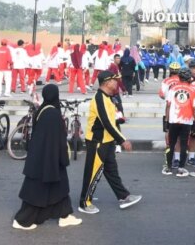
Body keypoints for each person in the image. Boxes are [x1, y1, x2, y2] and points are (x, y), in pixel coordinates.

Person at [13, 84, 82, 230]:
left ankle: (65, 215)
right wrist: (63, 157)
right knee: (36, 192)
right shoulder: (53, 114)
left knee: (60, 188)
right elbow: (57, 139)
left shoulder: (43, 110)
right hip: (47, 160)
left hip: (44, 158)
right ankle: (22, 220)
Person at [78, 71, 142, 214]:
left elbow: (111, 120)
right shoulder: (100, 98)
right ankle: (84, 203)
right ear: (107, 82)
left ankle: (123, 196)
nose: (117, 82)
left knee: (112, 171)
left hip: (107, 141)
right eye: (114, 80)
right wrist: (122, 140)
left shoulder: (108, 98)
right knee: (92, 173)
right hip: (98, 141)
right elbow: (106, 123)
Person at [163, 68, 195, 178]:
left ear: (179, 77)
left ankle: (169, 167)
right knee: (184, 144)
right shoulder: (193, 90)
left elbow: (168, 105)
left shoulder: (172, 88)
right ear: (189, 77)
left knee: (171, 143)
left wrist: (166, 120)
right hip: (187, 121)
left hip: (174, 120)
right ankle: (180, 168)